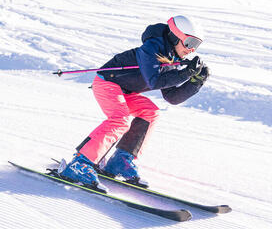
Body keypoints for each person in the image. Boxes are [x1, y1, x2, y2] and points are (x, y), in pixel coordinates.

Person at [56, 16, 209, 189]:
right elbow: (153, 80)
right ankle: (80, 164)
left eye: (196, 45)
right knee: (119, 120)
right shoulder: (151, 48)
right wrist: (185, 73)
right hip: (108, 83)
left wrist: (195, 82)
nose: (191, 49)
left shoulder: (172, 58)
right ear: (175, 35)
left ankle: (121, 160)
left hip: (126, 91)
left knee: (151, 113)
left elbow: (171, 97)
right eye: (189, 42)